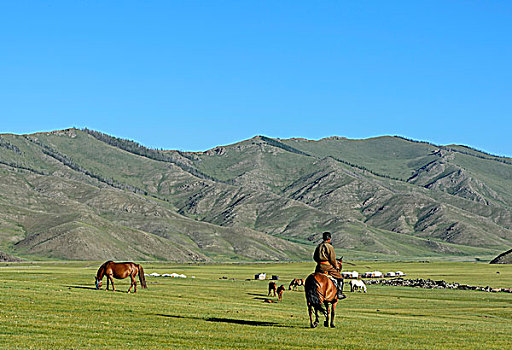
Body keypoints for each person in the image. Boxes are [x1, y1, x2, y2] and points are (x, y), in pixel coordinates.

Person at [313, 231, 346, 299]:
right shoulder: (329, 246)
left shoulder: (319, 246)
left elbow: (315, 257)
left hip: (319, 267)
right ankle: (339, 293)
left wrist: (319, 262)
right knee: (340, 278)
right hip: (327, 267)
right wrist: (335, 266)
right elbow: (332, 259)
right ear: (329, 238)